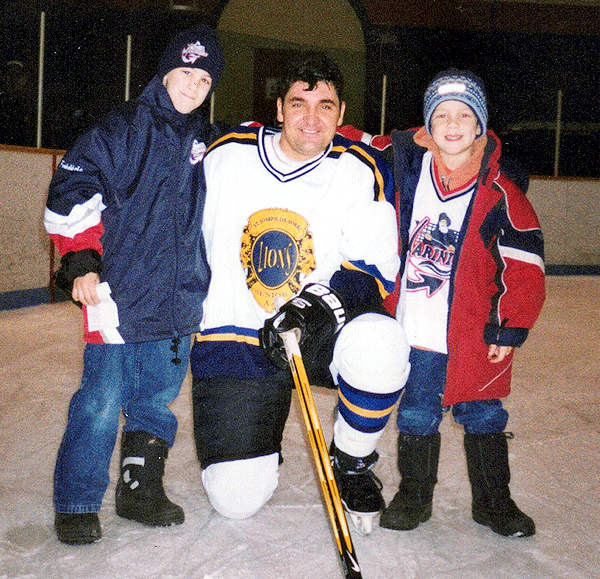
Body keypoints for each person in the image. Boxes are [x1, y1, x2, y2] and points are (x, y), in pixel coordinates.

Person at [190, 53, 410, 535]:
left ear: (342, 112)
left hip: (312, 331)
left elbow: (372, 267)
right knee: (235, 500)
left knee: (382, 341)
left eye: (325, 106)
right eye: (299, 103)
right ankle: (258, 437)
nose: (312, 118)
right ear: (279, 108)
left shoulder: (359, 168)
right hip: (236, 340)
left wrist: (316, 309)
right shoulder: (225, 152)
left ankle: (351, 461)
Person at [340, 69, 545, 537]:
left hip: (474, 333)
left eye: (464, 115)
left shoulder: (500, 192)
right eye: (442, 116)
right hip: (416, 330)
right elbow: (357, 140)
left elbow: (525, 265)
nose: (452, 125)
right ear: (428, 127)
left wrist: (508, 327)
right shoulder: (409, 168)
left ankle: (495, 502)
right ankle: (414, 497)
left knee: (485, 414)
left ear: (480, 126)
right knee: (416, 413)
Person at [43, 25, 225, 545]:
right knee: (100, 401)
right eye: (185, 72)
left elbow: (275, 144)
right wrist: (81, 263)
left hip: (177, 303)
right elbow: (73, 184)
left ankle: (139, 490)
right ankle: (77, 499)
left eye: (204, 78)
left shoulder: (206, 140)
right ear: (165, 71)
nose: (193, 85)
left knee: (154, 403)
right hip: (116, 300)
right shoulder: (121, 128)